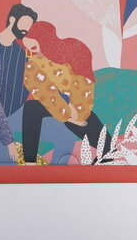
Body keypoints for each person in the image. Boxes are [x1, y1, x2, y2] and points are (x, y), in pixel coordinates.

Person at [0, 4, 78, 165]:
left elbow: (40, 81)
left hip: (15, 113)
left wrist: (66, 103)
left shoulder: (19, 51)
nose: (27, 29)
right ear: (12, 20)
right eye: (24, 23)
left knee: (67, 133)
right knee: (6, 166)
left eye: (30, 26)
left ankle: (54, 175)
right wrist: (8, 140)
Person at [21, 21, 111, 164]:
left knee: (108, 148)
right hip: (58, 104)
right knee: (31, 108)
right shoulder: (32, 65)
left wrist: (76, 111)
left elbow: (83, 83)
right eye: (27, 42)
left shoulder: (71, 50)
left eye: (33, 38)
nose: (29, 44)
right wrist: (68, 115)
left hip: (79, 103)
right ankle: (29, 161)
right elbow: (45, 93)